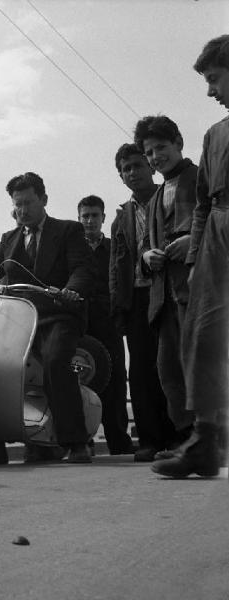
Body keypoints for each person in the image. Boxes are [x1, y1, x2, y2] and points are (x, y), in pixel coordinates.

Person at [0, 172, 96, 465]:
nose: (23, 210)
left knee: (55, 361)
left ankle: (76, 442)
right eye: (18, 204)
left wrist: (70, 291)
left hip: (58, 315)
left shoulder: (68, 231)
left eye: (28, 202)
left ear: (44, 199)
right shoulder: (10, 238)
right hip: (18, 319)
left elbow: (82, 268)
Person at [152, 35, 229, 479]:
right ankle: (205, 440)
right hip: (216, 235)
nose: (210, 91)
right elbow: (201, 204)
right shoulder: (214, 135)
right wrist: (199, 255)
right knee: (201, 337)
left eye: (215, 79)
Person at [134, 116, 197, 446]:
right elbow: (144, 244)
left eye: (162, 147)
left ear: (179, 143)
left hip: (201, 294)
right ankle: (189, 440)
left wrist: (193, 242)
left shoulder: (203, 178)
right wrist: (146, 258)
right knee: (169, 371)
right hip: (164, 300)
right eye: (149, 151)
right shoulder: (156, 197)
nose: (156, 156)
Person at [110, 144, 176, 462]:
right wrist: (118, 309)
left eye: (137, 165)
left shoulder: (169, 199)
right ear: (121, 176)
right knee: (140, 371)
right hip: (137, 298)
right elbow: (115, 269)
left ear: (150, 166)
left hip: (170, 293)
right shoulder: (120, 218)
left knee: (171, 365)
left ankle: (180, 437)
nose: (133, 172)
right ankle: (149, 440)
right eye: (126, 169)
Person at [77, 195, 134, 455]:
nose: (90, 221)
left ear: (103, 218)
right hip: (80, 324)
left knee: (116, 381)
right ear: (79, 219)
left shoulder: (114, 247)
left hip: (109, 321)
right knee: (79, 381)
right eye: (85, 216)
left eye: (94, 216)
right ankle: (81, 440)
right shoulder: (72, 248)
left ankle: (118, 440)